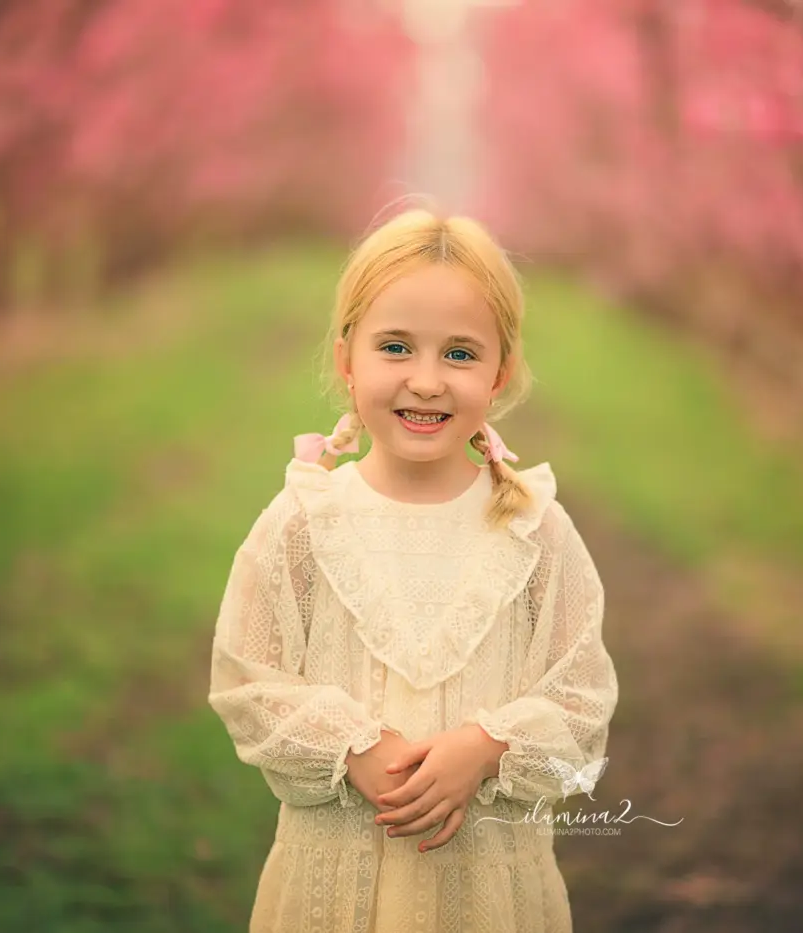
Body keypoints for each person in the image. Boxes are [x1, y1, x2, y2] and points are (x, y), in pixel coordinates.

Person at [206, 205, 619, 933]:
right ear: (347, 360)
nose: (426, 381)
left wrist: (487, 747)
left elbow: (582, 696)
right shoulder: (305, 523)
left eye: (459, 354)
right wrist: (351, 746)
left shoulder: (533, 529)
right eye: (395, 347)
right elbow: (248, 679)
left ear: (501, 372)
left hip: (488, 892)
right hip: (332, 886)